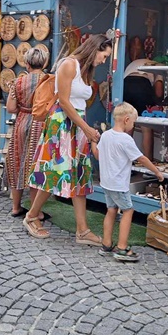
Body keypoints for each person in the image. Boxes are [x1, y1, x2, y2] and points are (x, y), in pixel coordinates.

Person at [24, 34, 113, 244]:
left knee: (79, 175)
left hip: (76, 123)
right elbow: (63, 102)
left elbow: (76, 104)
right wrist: (87, 129)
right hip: (62, 123)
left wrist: (85, 129)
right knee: (55, 171)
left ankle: (82, 230)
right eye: (104, 55)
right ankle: (31, 216)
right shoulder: (69, 64)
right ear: (95, 49)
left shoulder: (83, 70)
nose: (104, 60)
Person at [91, 103, 163, 262]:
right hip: (118, 185)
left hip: (106, 183)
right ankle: (122, 248)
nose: (133, 125)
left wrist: (93, 142)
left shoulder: (107, 135)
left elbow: (97, 155)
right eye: (133, 123)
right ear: (126, 119)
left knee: (111, 210)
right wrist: (157, 172)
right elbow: (141, 158)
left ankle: (106, 244)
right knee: (128, 211)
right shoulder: (126, 139)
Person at [5, 47, 49, 218]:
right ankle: (34, 211)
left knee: (18, 161)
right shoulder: (48, 81)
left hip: (22, 122)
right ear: (44, 62)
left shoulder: (18, 82)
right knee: (36, 164)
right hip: (41, 123)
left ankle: (16, 207)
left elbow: (10, 108)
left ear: (27, 63)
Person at [123, 36, 163, 157]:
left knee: (129, 125)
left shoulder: (135, 63)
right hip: (141, 85)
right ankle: (148, 165)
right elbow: (159, 92)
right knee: (146, 126)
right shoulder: (160, 66)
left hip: (126, 85)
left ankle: (126, 161)